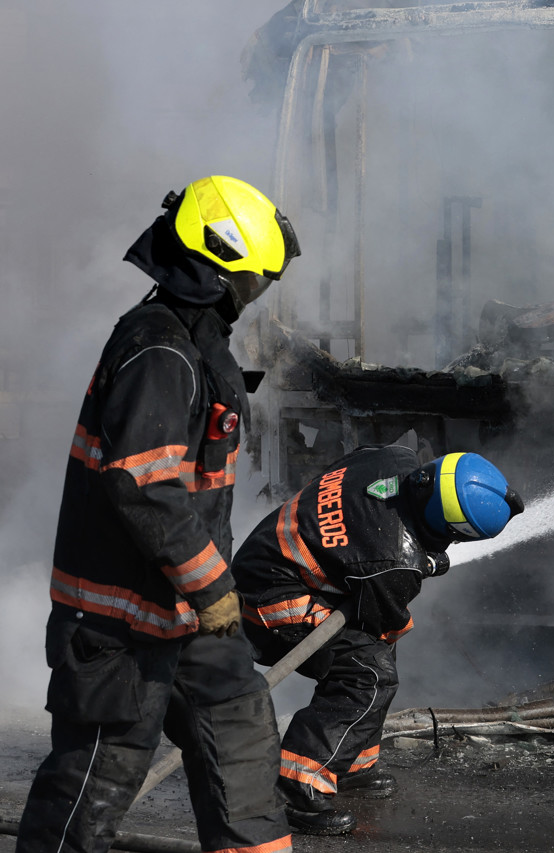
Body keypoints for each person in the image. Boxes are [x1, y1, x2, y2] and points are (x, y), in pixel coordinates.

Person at [17, 176, 302, 853]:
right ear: (217, 270)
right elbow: (141, 482)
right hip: (120, 623)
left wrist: (205, 593)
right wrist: (211, 585)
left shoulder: (193, 343)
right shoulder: (159, 350)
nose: (254, 295)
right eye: (253, 281)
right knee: (93, 784)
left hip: (188, 614)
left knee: (241, 742)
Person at [231, 445, 523, 835]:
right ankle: (295, 786)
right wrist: (415, 563)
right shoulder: (393, 562)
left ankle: (349, 762)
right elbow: (387, 623)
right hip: (268, 595)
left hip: (269, 556)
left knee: (375, 658)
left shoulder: (394, 458)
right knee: (367, 675)